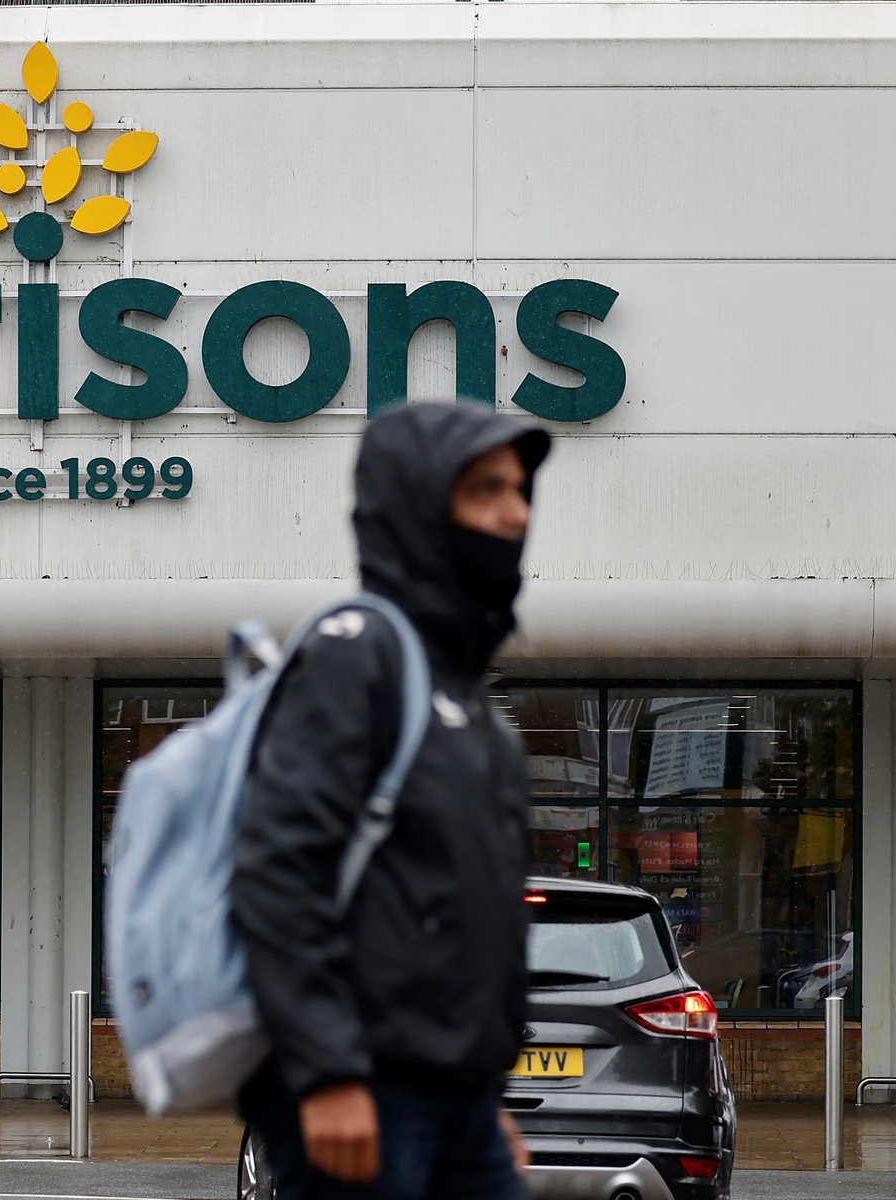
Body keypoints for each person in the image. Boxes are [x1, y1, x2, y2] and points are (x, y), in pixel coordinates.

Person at [232, 401, 550, 1200]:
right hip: (366, 1095)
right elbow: (278, 869)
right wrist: (327, 1072)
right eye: (484, 490)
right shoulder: (358, 656)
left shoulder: (464, 695)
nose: (516, 512)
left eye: (521, 490)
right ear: (415, 506)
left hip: (457, 1103)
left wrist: (479, 1097)